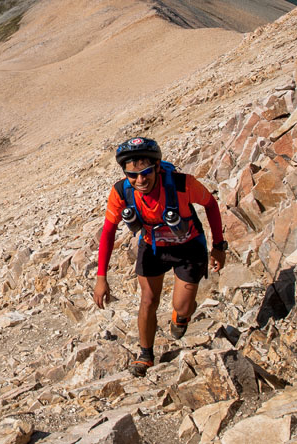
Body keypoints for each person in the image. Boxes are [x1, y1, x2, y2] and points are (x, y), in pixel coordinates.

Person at [92, 137, 227, 377]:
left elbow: (211, 204)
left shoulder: (183, 184)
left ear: (156, 167)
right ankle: (145, 355)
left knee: (182, 307)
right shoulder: (121, 192)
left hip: (188, 248)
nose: (140, 181)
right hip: (152, 246)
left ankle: (181, 316)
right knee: (148, 299)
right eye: (133, 176)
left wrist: (218, 245)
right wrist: (101, 276)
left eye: (146, 173)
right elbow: (108, 232)